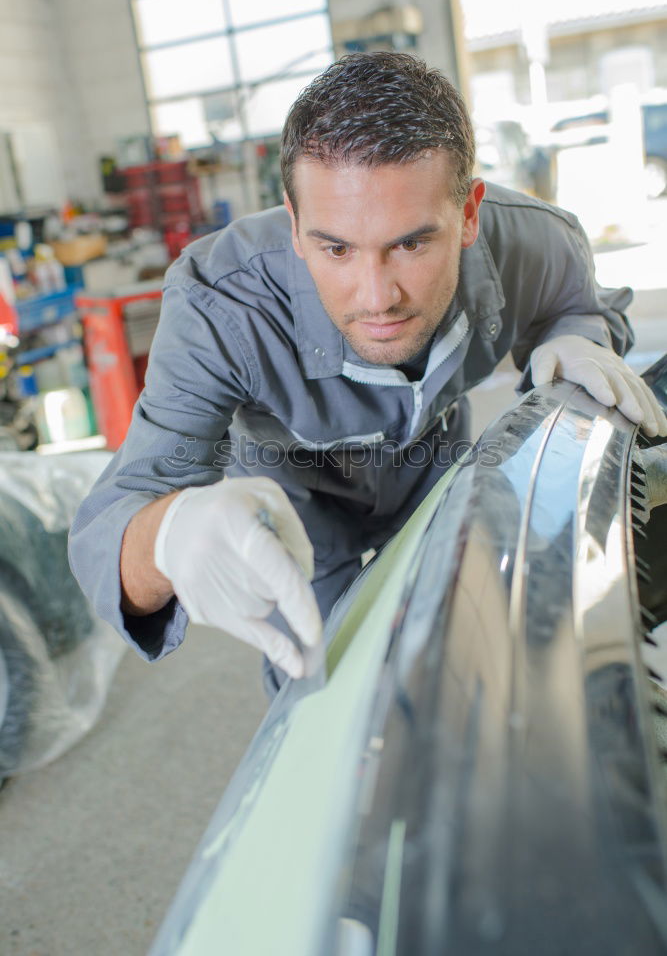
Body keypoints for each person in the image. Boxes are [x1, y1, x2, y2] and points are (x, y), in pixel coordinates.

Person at [68, 52, 667, 695]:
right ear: (295, 226)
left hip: (441, 474)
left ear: (469, 214)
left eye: (409, 243)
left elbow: (578, 308)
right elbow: (116, 518)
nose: (376, 295)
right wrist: (168, 537)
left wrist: (578, 338)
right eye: (336, 248)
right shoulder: (221, 304)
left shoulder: (533, 241)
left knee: (477, 654)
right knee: (329, 697)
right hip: (295, 519)